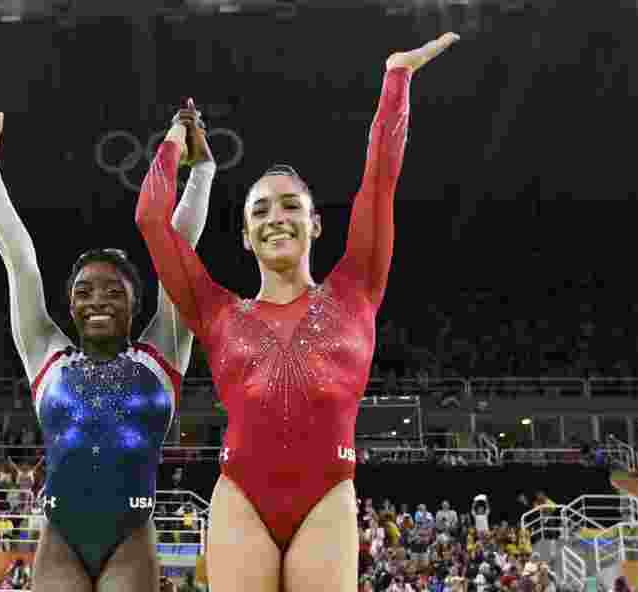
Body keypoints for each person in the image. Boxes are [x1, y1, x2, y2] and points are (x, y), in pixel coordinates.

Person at [136, 33, 459, 591]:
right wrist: (174, 142)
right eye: (260, 209)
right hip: (241, 495)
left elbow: (380, 179)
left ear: (315, 224)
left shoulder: (356, 285)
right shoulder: (214, 310)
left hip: (327, 496)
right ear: (244, 236)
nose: (276, 217)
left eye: (291, 205)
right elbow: (150, 219)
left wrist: (397, 79)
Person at [0, 99, 216, 591]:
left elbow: (179, 245)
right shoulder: (47, 358)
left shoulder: (160, 353)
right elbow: (19, 259)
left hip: (132, 536)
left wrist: (203, 169)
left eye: (112, 291)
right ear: (70, 305)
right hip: (60, 536)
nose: (96, 301)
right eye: (84, 292)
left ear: (134, 302)